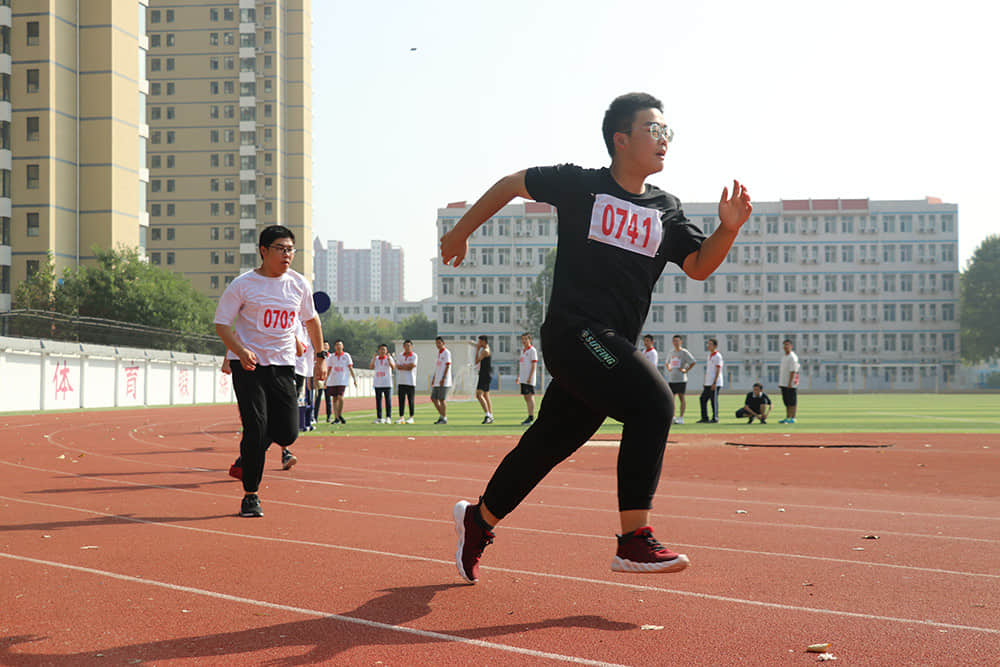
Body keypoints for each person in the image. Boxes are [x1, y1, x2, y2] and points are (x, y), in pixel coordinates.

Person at [440, 92, 752, 583]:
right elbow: (509, 184)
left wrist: (728, 231)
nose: (664, 140)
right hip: (573, 333)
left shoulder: (666, 209)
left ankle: (477, 521)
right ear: (621, 139)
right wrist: (460, 233)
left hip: (606, 349)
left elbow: (697, 266)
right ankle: (633, 539)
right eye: (654, 130)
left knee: (549, 443)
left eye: (668, 132)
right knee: (654, 404)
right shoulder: (580, 185)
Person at [214, 225, 326, 518]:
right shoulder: (243, 284)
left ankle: (249, 454)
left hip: (283, 367)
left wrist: (321, 356)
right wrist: (239, 351)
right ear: (264, 250)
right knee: (255, 428)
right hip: (249, 366)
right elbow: (222, 325)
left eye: (291, 249)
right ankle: (251, 495)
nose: (287, 255)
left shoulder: (299, 284)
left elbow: (312, 322)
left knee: (288, 432)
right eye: (281, 248)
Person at [666, 334, 696, 424]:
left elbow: (693, 361)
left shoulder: (684, 352)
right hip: (672, 379)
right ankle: (673, 416)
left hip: (681, 379)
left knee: (681, 397)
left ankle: (681, 417)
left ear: (681, 342)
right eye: (674, 341)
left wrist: (685, 370)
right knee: (671, 398)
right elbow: (667, 362)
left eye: (677, 341)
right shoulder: (671, 352)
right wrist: (668, 368)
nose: (676, 343)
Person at [327, 340, 357, 424]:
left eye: (340, 345)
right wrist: (326, 380)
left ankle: (339, 414)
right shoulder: (332, 357)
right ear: (335, 347)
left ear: (342, 346)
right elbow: (329, 369)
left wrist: (354, 379)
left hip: (342, 380)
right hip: (333, 380)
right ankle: (336, 417)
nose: (338, 346)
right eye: (337, 345)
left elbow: (350, 368)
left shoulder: (346, 356)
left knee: (340, 397)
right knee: (334, 398)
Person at [697, 338, 724, 423]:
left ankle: (715, 418)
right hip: (708, 382)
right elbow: (709, 370)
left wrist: (715, 382)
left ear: (715, 346)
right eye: (708, 344)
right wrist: (705, 382)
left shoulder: (718, 356)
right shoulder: (709, 355)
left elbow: (718, 369)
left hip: (715, 382)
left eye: (710, 344)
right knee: (702, 399)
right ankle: (704, 418)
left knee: (713, 400)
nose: (708, 346)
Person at [370, 343, 396, 423]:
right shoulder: (376, 358)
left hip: (387, 383)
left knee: (388, 401)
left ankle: (388, 417)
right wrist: (374, 359)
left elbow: (393, 367)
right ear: (378, 350)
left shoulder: (389, 358)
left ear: (386, 351)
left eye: (384, 350)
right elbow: (371, 367)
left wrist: (388, 360)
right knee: (378, 401)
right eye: (381, 349)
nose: (382, 351)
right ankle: (379, 417)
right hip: (378, 383)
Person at [516, 332, 538, 425]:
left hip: (529, 378)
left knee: (530, 396)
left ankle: (531, 416)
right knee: (526, 397)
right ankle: (529, 415)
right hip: (523, 378)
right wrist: (519, 376)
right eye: (522, 339)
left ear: (530, 340)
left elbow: (534, 365)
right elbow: (522, 365)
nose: (524, 341)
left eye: (526, 339)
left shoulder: (532, 350)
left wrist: (530, 377)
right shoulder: (523, 350)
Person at [395, 339, 418, 423]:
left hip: (410, 381)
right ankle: (401, 417)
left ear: (411, 346)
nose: (407, 347)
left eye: (409, 346)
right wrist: (406, 366)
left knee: (410, 400)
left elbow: (411, 367)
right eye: (406, 346)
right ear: (403, 346)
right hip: (401, 381)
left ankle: (411, 417)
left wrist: (404, 366)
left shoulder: (414, 355)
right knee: (401, 400)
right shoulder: (400, 355)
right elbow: (398, 366)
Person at [778, 339, 801, 424]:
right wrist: (781, 383)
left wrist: (790, 383)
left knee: (792, 401)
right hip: (783, 382)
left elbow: (793, 371)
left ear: (791, 346)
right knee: (786, 401)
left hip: (790, 383)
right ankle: (787, 417)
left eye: (787, 345)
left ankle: (793, 417)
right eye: (784, 345)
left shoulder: (793, 357)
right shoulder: (784, 356)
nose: (786, 347)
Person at [430, 336, 452, 425]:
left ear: (443, 343)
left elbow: (447, 366)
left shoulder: (446, 353)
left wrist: (443, 378)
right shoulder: (439, 353)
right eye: (436, 343)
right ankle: (442, 416)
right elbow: (438, 367)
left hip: (444, 380)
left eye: (439, 343)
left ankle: (443, 418)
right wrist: (434, 378)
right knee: (433, 398)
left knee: (442, 399)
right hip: (437, 380)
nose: (438, 345)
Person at [475, 335, 494, 424]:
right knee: (486, 395)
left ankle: (487, 415)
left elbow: (476, 361)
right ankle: (491, 415)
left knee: (479, 395)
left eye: (479, 342)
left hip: (484, 376)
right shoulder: (487, 348)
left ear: (483, 341)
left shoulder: (484, 351)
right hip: (486, 375)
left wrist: (477, 350)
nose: (478, 343)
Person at [313, 342, 332, 422]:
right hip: (320, 379)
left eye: (326, 345)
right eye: (323, 345)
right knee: (317, 399)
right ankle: (315, 417)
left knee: (328, 400)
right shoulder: (318, 356)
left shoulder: (331, 357)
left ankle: (328, 417)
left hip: (328, 380)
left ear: (329, 347)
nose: (325, 347)